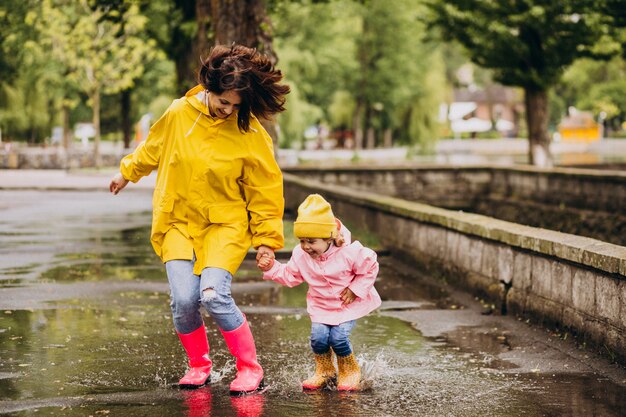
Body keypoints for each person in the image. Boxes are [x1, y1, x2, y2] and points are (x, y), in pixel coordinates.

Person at [109, 44, 289, 395]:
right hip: (177, 220)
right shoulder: (179, 113)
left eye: (237, 105)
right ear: (210, 88)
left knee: (213, 295)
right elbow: (152, 148)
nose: (229, 110)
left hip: (225, 224)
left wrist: (266, 240)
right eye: (224, 102)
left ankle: (250, 368)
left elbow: (265, 190)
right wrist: (126, 173)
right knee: (183, 300)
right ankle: (199, 365)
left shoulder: (250, 134)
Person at [257, 194, 381, 391]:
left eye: (311, 241)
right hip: (321, 304)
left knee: (338, 338)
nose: (306, 246)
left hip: (347, 304)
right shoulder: (301, 254)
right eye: (302, 240)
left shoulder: (350, 252)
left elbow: (370, 267)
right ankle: (325, 370)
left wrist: (355, 289)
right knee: (319, 338)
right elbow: (290, 275)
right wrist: (271, 268)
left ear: (329, 237)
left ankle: (349, 370)